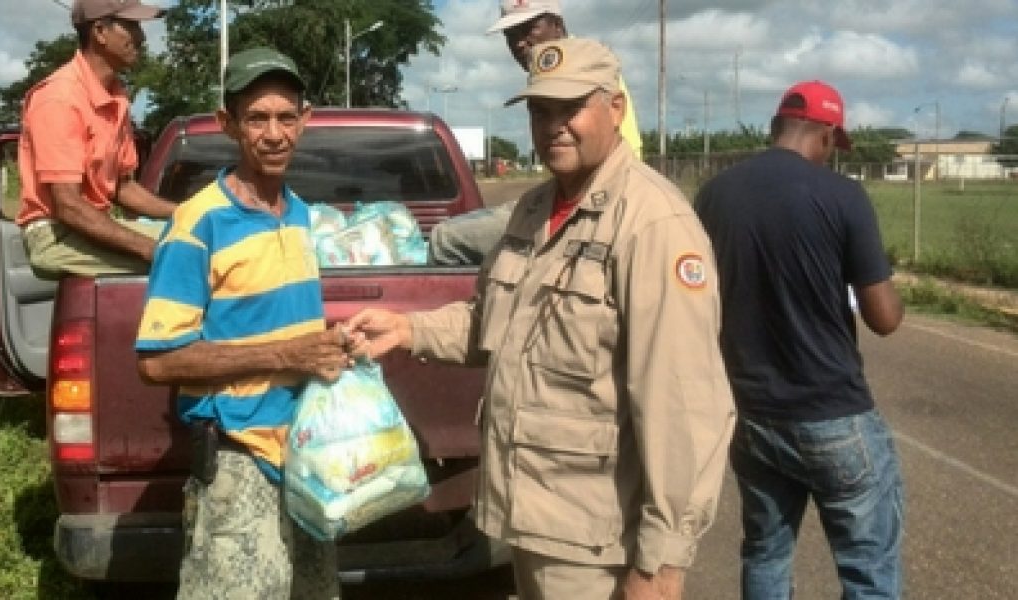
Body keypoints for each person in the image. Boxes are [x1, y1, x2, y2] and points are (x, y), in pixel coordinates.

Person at [347, 39, 735, 600]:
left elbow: (685, 405)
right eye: (540, 110)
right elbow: (493, 321)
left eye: (570, 107)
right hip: (529, 520)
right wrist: (409, 329)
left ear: (616, 109)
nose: (554, 125)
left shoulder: (653, 225)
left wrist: (661, 563)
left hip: (597, 541)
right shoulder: (533, 211)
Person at [134, 47, 347, 599]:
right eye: (257, 118)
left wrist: (334, 347)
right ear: (228, 124)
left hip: (305, 455)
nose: (274, 134)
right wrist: (286, 356)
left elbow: (288, 329)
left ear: (306, 119)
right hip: (238, 462)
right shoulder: (197, 222)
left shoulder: (299, 214)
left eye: (285, 116)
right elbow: (157, 361)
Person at [694, 81, 906, 599]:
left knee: (766, 551)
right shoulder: (842, 195)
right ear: (829, 135)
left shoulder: (714, 195)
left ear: (775, 128)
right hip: (832, 412)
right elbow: (884, 318)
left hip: (751, 414)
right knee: (867, 567)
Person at [428, 0, 643, 266]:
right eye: (511, 36)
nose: (520, 43)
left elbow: (625, 156)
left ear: (558, 24)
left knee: (445, 239)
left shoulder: (589, 69)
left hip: (599, 202)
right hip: (573, 196)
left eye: (530, 29)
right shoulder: (561, 68)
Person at [15, 0, 178, 277]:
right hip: (55, 235)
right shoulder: (60, 97)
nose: (141, 36)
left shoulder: (115, 96)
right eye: (132, 25)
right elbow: (68, 206)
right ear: (100, 31)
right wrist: (151, 249)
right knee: (188, 258)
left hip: (90, 224)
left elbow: (121, 188)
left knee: (201, 237)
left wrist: (189, 212)